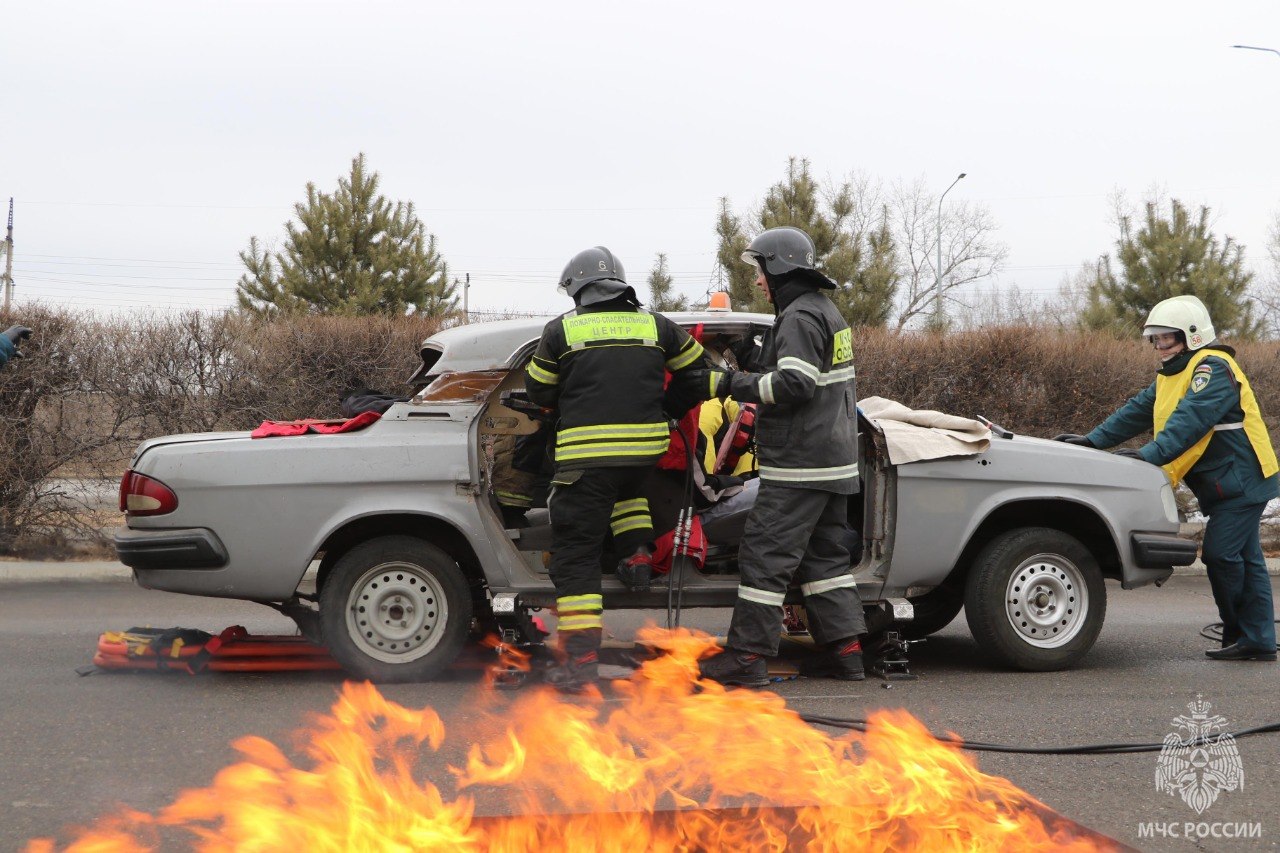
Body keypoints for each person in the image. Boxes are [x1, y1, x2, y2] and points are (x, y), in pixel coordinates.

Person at [1054, 295, 1278, 662]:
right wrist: (1092, 441)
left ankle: (1245, 635)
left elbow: (1191, 420)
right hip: (1224, 483)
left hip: (1243, 483)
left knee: (1221, 555)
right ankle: (1256, 639)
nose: (1159, 346)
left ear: (1192, 336)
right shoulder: (1173, 374)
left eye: (1166, 338)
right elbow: (1136, 412)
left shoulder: (1212, 368)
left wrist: (1148, 455)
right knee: (1246, 558)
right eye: (1155, 339)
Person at [525, 246, 709, 691]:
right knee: (627, 492)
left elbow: (538, 390)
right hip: (643, 452)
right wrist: (666, 408)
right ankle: (637, 554)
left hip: (586, 460)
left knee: (576, 556)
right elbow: (698, 371)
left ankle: (581, 661)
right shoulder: (656, 324)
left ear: (578, 290)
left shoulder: (562, 330)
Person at [696, 226, 867, 687]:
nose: (757, 281)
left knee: (764, 556)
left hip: (799, 465)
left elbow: (795, 385)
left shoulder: (799, 317)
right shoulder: (822, 311)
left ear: (778, 268)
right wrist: (742, 351)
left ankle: (747, 657)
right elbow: (794, 369)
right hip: (831, 463)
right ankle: (846, 653)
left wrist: (726, 383)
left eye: (759, 270)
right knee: (824, 561)